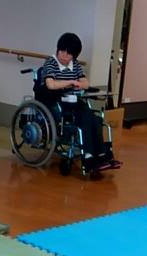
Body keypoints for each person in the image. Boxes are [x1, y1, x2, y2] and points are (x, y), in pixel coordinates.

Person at [40, 32, 120, 174]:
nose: (64, 55)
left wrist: (79, 84)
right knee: (85, 120)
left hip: (75, 101)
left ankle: (102, 155)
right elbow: (50, 84)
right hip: (57, 103)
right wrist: (71, 82)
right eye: (62, 51)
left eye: (68, 53)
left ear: (74, 55)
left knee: (95, 119)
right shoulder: (51, 63)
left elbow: (85, 83)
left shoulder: (75, 65)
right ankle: (88, 156)